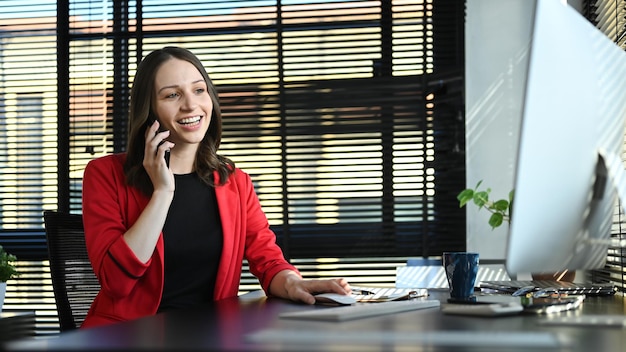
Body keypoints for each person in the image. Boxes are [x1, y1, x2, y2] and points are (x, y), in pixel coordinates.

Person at [80, 46, 351, 328]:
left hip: (210, 336)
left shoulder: (236, 182)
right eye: (172, 95)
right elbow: (116, 283)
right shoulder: (105, 175)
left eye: (199, 90)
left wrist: (294, 283)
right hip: (127, 336)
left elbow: (268, 262)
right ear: (149, 110)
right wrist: (162, 193)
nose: (190, 105)